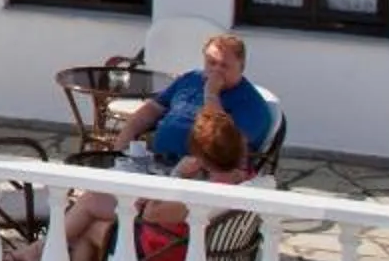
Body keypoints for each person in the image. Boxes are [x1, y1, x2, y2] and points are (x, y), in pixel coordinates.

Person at [63, 108, 249, 261]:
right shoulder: (241, 179)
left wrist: (178, 175)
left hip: (167, 254)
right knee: (93, 206)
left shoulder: (200, 196)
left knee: (91, 228)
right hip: (202, 252)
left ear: (201, 156)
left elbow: (151, 214)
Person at [117, 33, 274, 164]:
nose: (216, 70)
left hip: (201, 173)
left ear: (241, 66)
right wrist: (122, 145)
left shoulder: (253, 105)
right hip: (157, 161)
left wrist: (211, 94)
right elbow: (152, 109)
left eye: (224, 66)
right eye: (211, 63)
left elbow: (224, 147)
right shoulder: (191, 79)